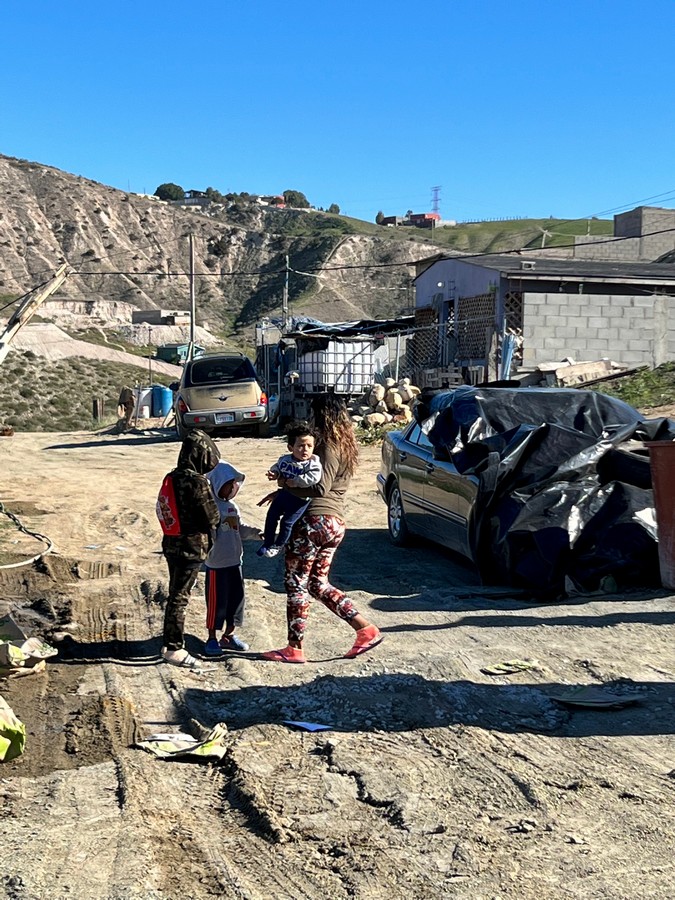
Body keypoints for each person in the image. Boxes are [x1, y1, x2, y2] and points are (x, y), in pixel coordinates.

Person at [261, 394, 382, 663]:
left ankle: (294, 648)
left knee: (296, 583)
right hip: (333, 523)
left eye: (313, 413)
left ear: (322, 415)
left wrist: (286, 485)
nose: (310, 419)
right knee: (317, 584)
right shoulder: (346, 445)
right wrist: (285, 493)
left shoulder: (327, 446)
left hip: (314, 522)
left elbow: (319, 487)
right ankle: (365, 629)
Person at [158, 429, 220, 668]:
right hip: (192, 547)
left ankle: (169, 643)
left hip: (172, 543)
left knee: (175, 594)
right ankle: (174, 648)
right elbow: (211, 517)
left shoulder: (172, 476)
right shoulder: (197, 481)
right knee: (180, 597)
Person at [203, 461, 261, 656]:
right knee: (216, 604)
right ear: (218, 484)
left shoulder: (231, 507)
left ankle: (228, 636)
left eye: (234, 484)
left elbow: (239, 529)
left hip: (235, 563)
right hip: (216, 565)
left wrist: (257, 534)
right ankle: (212, 638)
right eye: (229, 484)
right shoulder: (210, 508)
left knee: (236, 602)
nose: (233, 488)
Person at [256, 422, 322, 558]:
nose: (305, 450)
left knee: (287, 522)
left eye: (309, 446)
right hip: (285, 494)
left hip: (300, 500)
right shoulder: (285, 460)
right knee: (271, 516)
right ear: (290, 447)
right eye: (300, 446)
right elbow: (277, 467)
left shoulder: (313, 462)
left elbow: (314, 478)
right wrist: (275, 474)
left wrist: (297, 481)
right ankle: (268, 542)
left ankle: (278, 545)